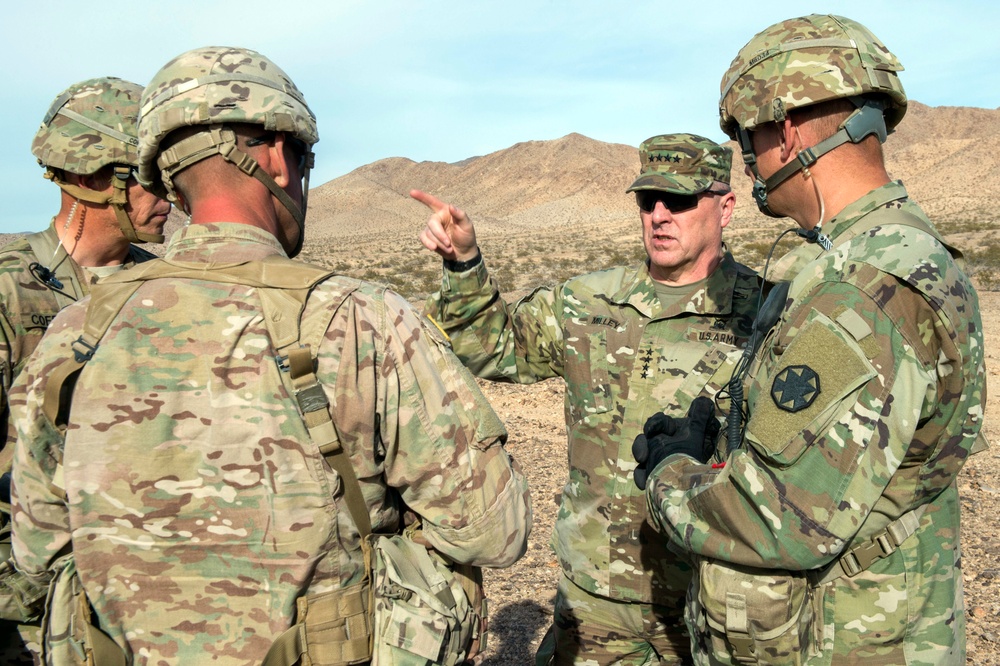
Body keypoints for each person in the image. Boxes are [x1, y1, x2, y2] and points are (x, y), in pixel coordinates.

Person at [9, 46, 530, 664]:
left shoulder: (74, 333)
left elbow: (37, 546)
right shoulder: (363, 319)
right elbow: (495, 531)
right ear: (280, 158)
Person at [640, 14, 987, 665]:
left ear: (787, 130)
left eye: (747, 135)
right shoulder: (899, 249)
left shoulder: (862, 284)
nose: (747, 158)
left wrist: (670, 475)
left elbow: (780, 521)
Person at [415, 133, 760, 665]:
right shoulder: (588, 303)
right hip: (594, 602)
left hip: (708, 605)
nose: (660, 216)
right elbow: (492, 348)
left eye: (681, 200)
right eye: (649, 201)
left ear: (726, 207)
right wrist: (464, 263)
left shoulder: (765, 317)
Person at [0, 76, 170, 664]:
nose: (169, 200)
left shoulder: (166, 288)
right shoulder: (9, 287)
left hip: (142, 592)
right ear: (96, 180)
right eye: (150, 182)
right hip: (23, 602)